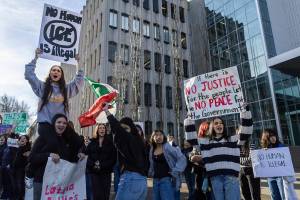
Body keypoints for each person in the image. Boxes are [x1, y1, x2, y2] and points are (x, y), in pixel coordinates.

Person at [185, 106, 253, 200]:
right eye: (216, 123)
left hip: (231, 177)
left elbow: (247, 131)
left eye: (221, 123)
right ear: (212, 126)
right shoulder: (205, 142)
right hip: (215, 178)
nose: (219, 125)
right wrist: (189, 117)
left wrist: (245, 111)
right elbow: (191, 138)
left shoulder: (232, 140)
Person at [25, 48, 84, 149]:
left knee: (78, 142)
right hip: (45, 124)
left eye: (58, 70)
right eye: (54, 70)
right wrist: (36, 57)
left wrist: (78, 62)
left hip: (61, 125)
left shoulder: (66, 89)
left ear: (61, 75)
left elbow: (79, 80)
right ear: (50, 73)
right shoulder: (42, 87)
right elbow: (29, 75)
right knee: (54, 144)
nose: (56, 72)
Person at [29, 113, 85, 200]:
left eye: (64, 123)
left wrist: (78, 156)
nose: (61, 125)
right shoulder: (43, 138)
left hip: (58, 185)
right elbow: (32, 158)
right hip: (41, 182)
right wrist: (49, 155)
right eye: (59, 122)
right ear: (53, 124)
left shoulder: (65, 141)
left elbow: (67, 160)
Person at [102, 103, 148, 200]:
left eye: (126, 128)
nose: (123, 131)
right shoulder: (139, 142)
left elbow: (117, 129)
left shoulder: (131, 139)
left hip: (131, 179)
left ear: (132, 129)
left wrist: (106, 111)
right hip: (141, 182)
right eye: (122, 129)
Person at [149, 130, 187, 200]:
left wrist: (176, 170)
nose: (158, 137)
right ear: (153, 137)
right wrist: (150, 173)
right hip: (155, 180)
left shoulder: (167, 146)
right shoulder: (152, 149)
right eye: (156, 135)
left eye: (160, 135)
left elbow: (182, 158)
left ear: (163, 136)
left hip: (166, 180)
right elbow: (151, 164)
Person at [260, 129, 298, 200]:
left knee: (284, 196)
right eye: (270, 136)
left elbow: (288, 161)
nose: (273, 138)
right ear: (266, 138)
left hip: (281, 176)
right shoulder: (265, 150)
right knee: (274, 196)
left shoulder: (281, 147)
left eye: (274, 136)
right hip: (270, 177)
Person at [85, 123, 116, 200]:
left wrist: (101, 165)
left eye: (103, 128)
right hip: (94, 172)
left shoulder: (110, 143)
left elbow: (113, 158)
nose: (102, 130)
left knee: (105, 194)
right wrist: (94, 164)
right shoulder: (92, 142)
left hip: (106, 172)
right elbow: (86, 155)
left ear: (105, 130)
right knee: (96, 194)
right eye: (100, 128)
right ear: (97, 130)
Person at [239, 130, 261, 200]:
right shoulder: (238, 145)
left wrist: (242, 161)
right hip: (241, 171)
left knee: (254, 194)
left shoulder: (251, 143)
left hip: (252, 171)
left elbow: (251, 158)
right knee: (245, 192)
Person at [12, 135, 31, 200]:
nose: (22, 139)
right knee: (15, 184)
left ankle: (20, 197)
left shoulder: (27, 148)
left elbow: (27, 155)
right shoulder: (18, 147)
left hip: (21, 169)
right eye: (21, 138)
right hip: (15, 168)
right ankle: (16, 196)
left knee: (19, 184)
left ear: (27, 140)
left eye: (24, 138)